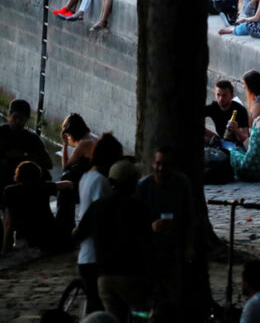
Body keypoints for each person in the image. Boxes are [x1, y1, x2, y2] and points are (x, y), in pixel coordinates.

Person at [72, 160, 153, 322]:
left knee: (113, 318)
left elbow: (79, 234)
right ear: (133, 181)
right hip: (132, 275)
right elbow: (148, 239)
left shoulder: (97, 206)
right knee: (140, 314)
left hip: (105, 276)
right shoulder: (138, 207)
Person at [135, 148, 195, 317]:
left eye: (165, 164)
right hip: (150, 250)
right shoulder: (144, 187)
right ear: (153, 164)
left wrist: (189, 247)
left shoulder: (181, 184)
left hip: (174, 248)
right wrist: (151, 227)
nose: (161, 168)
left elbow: (190, 217)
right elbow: (134, 222)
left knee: (173, 294)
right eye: (158, 164)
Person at [77, 134, 123, 314]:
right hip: (96, 254)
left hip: (86, 254)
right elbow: (101, 215)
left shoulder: (86, 178)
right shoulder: (100, 182)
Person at [2, 161, 74, 254]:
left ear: (18, 175)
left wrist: (4, 248)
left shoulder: (9, 191)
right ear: (37, 173)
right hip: (49, 234)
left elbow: (8, 222)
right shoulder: (44, 186)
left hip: (26, 236)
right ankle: (71, 231)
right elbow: (68, 184)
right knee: (66, 194)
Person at [0, 99, 52, 198]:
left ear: (27, 120)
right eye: (15, 117)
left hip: (23, 184)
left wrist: (24, 155)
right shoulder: (1, 133)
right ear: (9, 116)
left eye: (22, 118)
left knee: (45, 174)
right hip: (4, 180)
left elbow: (48, 164)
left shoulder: (31, 138)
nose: (18, 121)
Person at [204, 80, 250, 146]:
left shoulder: (240, 110)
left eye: (224, 95)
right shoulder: (213, 107)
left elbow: (244, 139)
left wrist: (236, 130)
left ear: (232, 96)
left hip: (236, 148)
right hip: (221, 141)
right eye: (218, 95)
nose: (221, 99)